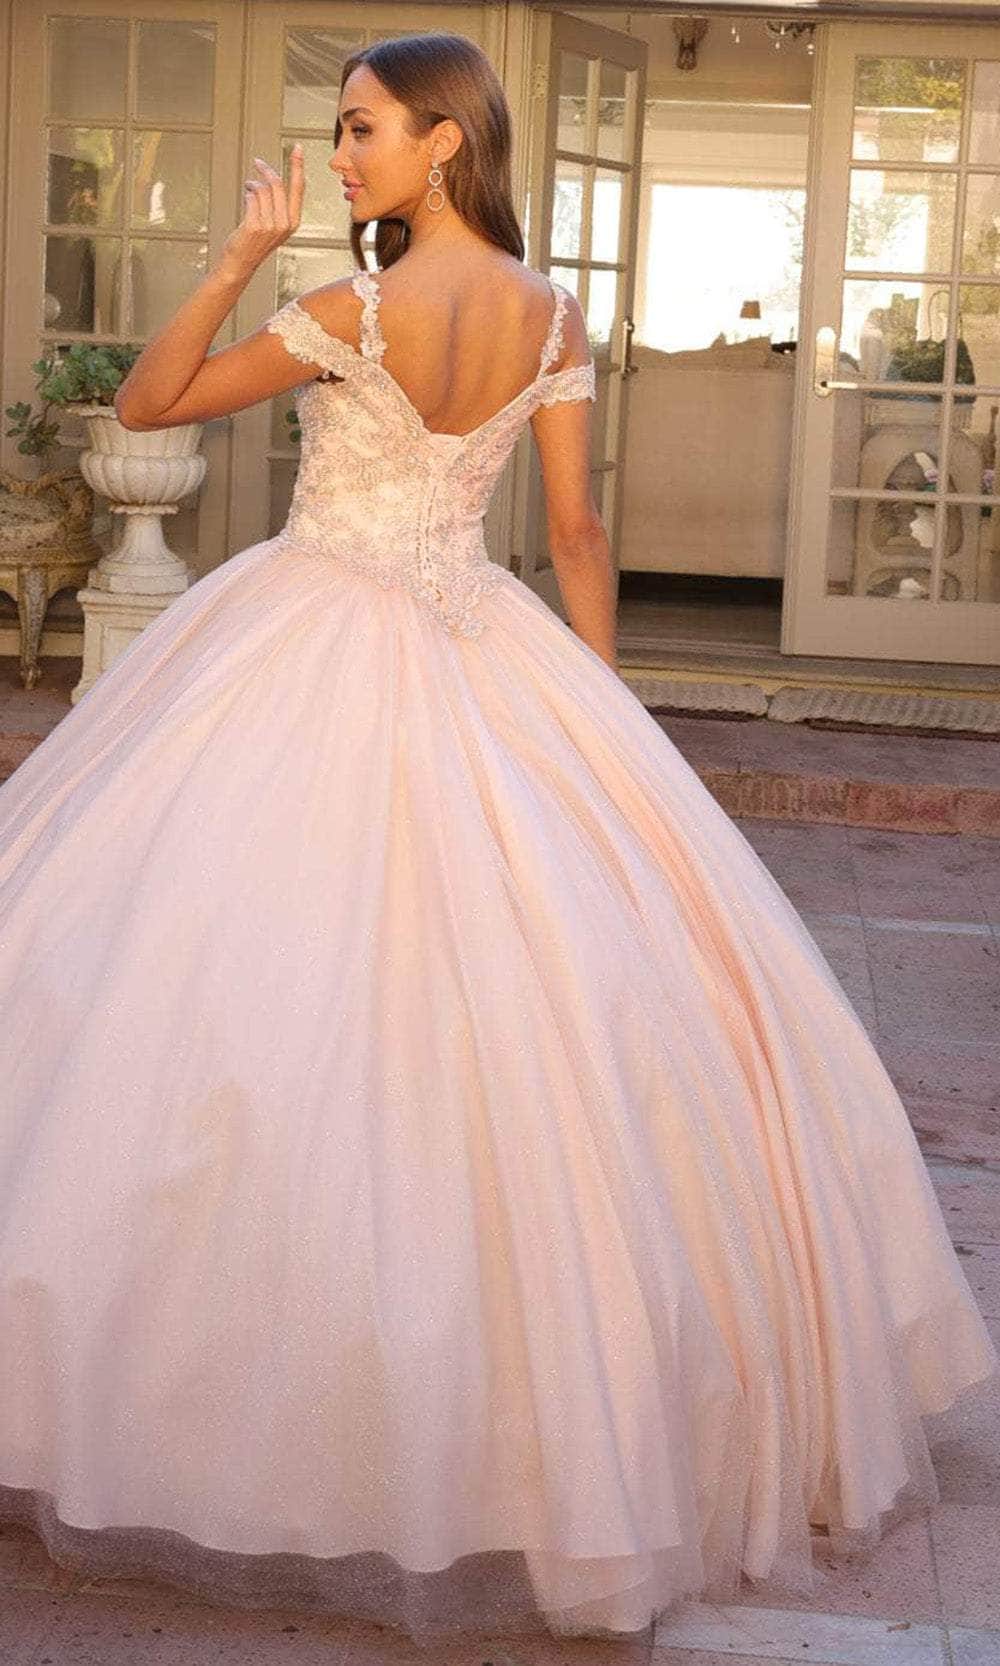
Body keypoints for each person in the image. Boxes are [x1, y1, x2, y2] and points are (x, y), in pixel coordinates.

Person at [0, 29, 996, 1650]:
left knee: (227, 1003)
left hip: (308, 636)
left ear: (445, 141)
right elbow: (579, 533)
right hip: (484, 644)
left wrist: (240, 257)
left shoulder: (355, 310)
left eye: (362, 129)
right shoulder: (553, 316)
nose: (341, 156)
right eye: (340, 133)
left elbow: (148, 399)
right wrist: (605, 726)